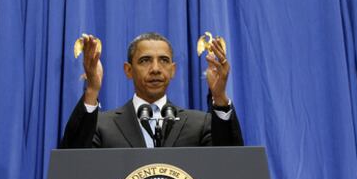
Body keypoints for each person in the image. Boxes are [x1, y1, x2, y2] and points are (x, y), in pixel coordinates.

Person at [60, 32, 243, 149]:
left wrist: (219, 97)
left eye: (163, 60)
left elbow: (229, 166)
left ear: (173, 70)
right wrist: (92, 89)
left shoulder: (199, 124)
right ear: (128, 70)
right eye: (145, 60)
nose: (155, 68)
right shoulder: (102, 126)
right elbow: (73, 166)